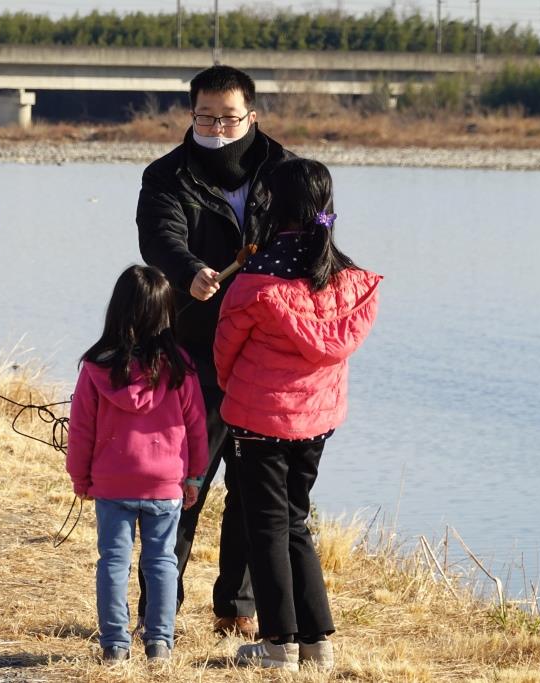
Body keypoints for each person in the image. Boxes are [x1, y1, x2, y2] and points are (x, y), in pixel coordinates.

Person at [135, 64, 293, 638]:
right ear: (192, 115)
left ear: (252, 115)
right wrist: (188, 271)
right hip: (192, 352)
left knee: (253, 492)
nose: (217, 129)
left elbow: (316, 232)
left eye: (228, 118)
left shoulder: (284, 171)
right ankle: (159, 611)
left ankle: (237, 608)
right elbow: (159, 237)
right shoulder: (166, 174)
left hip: (263, 356)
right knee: (179, 488)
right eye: (205, 118)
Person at [213, 158, 381, 671]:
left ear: (272, 205)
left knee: (267, 528)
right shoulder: (347, 280)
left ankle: (278, 645)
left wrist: (234, 391)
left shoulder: (256, 280)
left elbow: (224, 351)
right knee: (296, 522)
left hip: (258, 420)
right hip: (317, 421)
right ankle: (316, 643)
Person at [66, 265, 209, 664]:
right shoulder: (180, 367)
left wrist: (80, 476)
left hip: (113, 482)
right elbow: (197, 427)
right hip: (166, 482)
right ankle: (159, 643)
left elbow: (81, 429)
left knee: (114, 562)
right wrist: (195, 476)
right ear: (166, 314)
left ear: (117, 310)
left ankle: (115, 646)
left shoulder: (97, 367)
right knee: (162, 561)